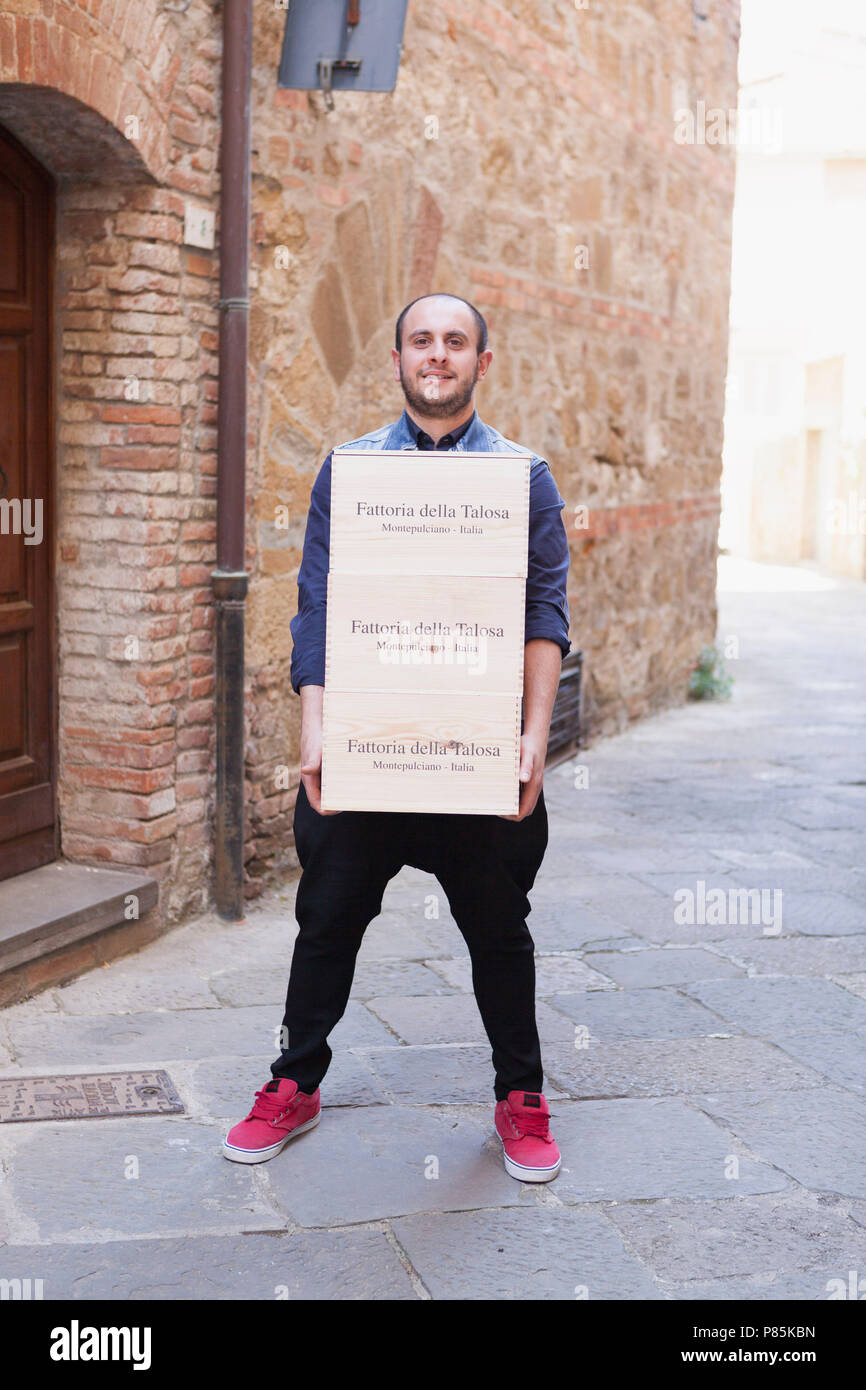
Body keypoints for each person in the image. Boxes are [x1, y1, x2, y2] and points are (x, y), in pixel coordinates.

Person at [223, 293, 572, 1182]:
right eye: (422, 340)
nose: (437, 354)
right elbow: (317, 605)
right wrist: (316, 732)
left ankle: (521, 1097)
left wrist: (533, 738)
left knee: (500, 931)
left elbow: (543, 614)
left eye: (455, 341)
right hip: (369, 751)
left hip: (473, 753)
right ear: (398, 360)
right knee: (325, 921)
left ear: (481, 363)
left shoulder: (522, 479)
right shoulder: (351, 474)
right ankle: (293, 1083)